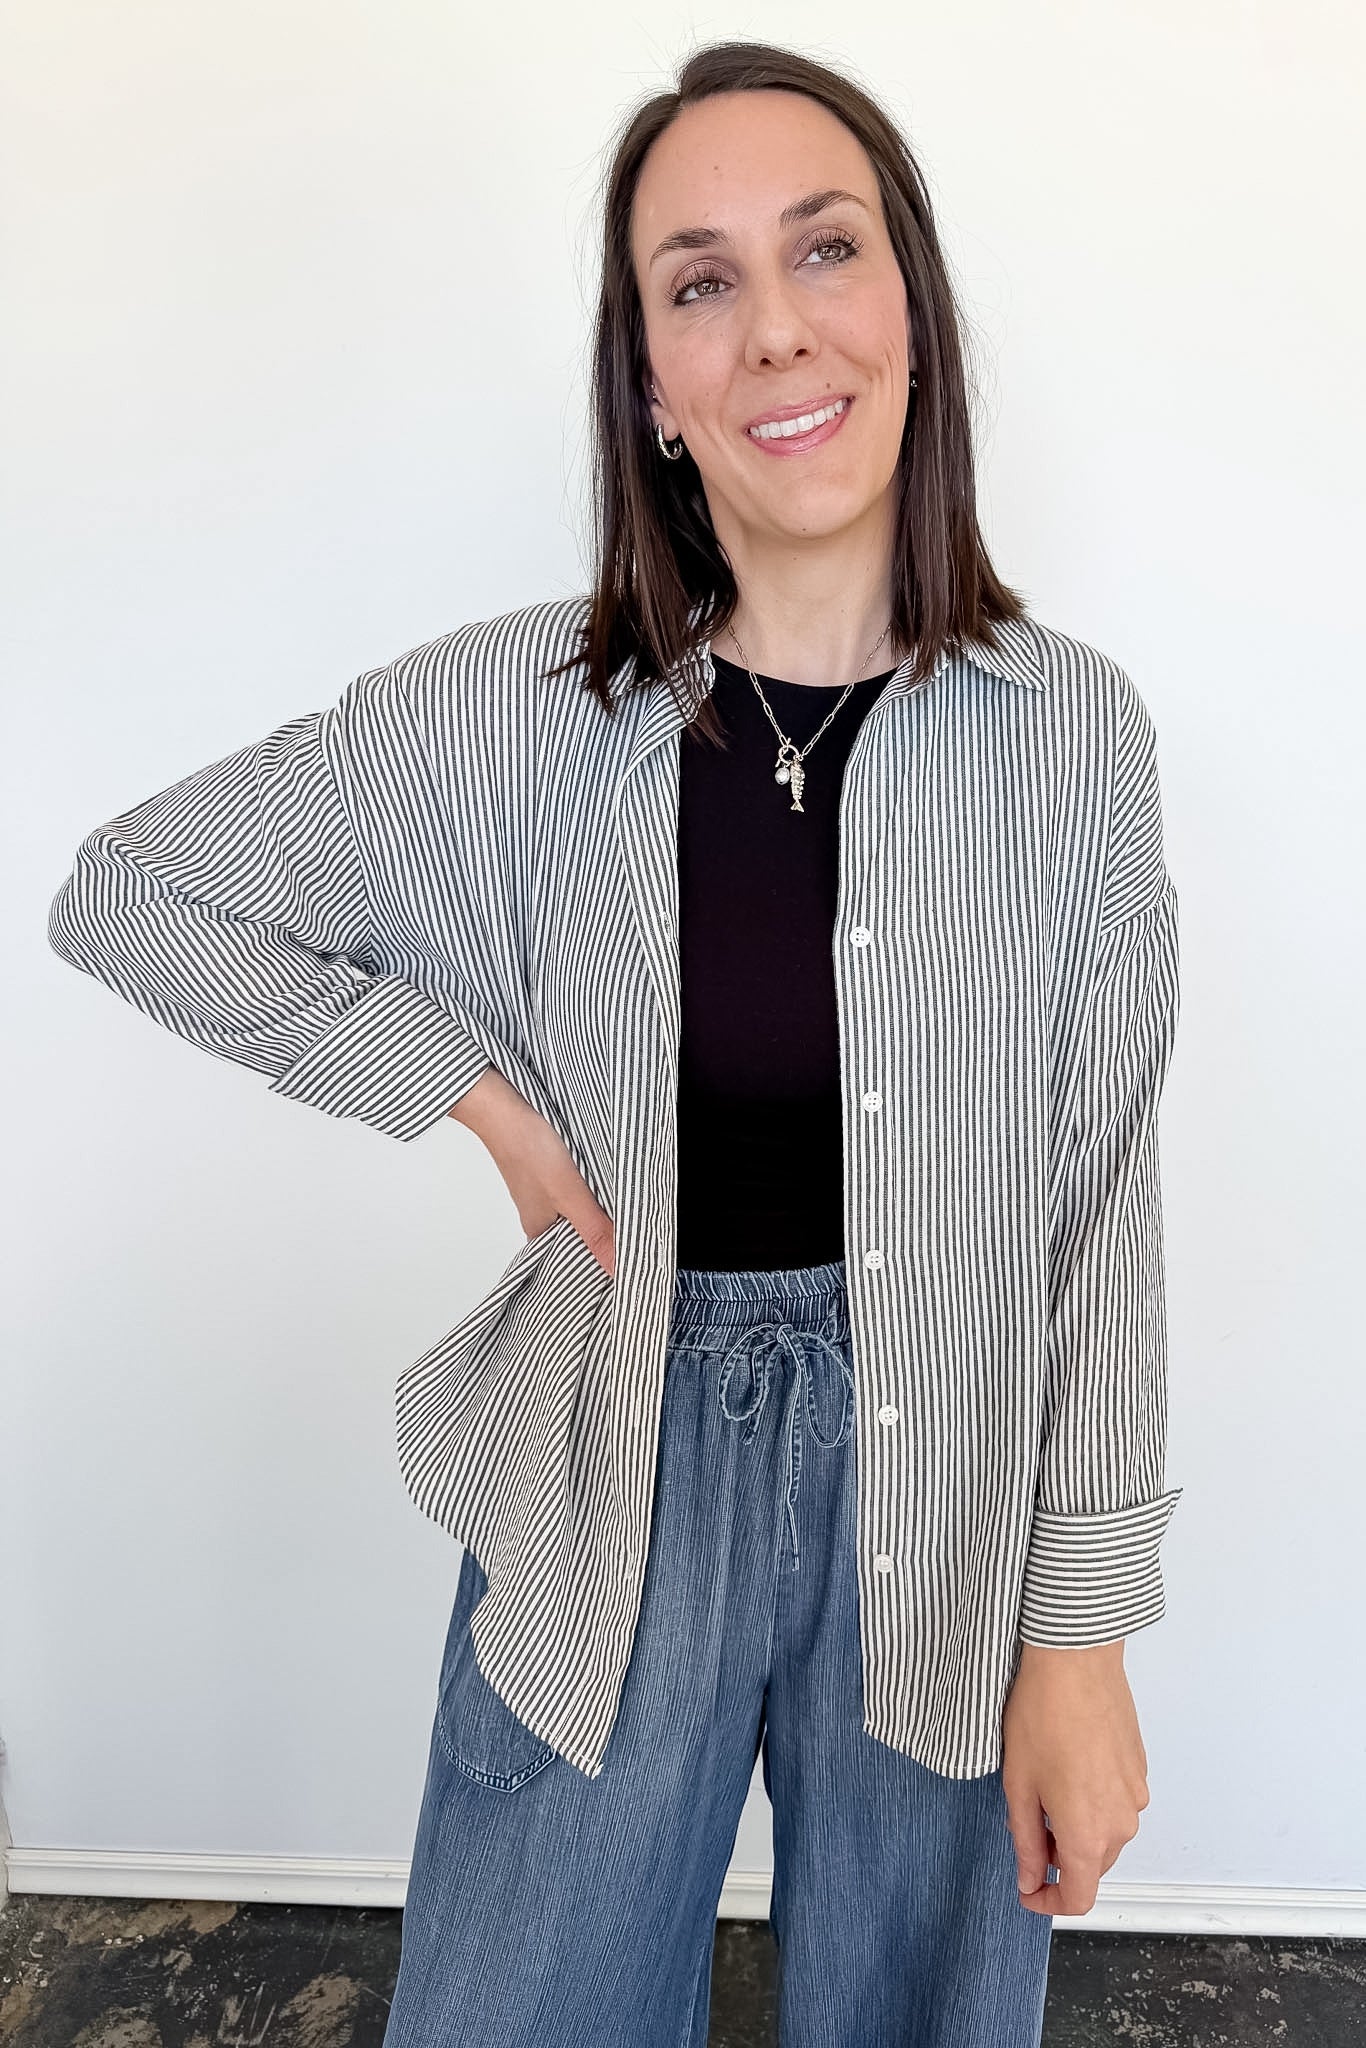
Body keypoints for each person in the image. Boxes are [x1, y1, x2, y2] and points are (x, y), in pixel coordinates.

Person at [48, 37, 1184, 2048]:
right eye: (696, 281)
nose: (773, 331)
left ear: (906, 299)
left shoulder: (1069, 736)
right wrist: (464, 1093)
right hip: (612, 1466)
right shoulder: (507, 720)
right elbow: (129, 895)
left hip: (950, 1499)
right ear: (649, 382)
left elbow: (1096, 1207)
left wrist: (1077, 1622)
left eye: (820, 249)